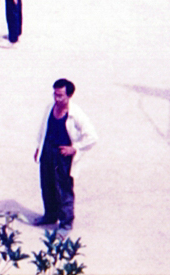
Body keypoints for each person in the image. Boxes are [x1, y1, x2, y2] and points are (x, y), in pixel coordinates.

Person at [33, 78, 98, 233]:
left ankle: (66, 223)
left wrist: (75, 148)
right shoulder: (50, 108)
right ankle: (50, 215)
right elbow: (43, 128)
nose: (57, 98)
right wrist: (39, 147)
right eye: (55, 94)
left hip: (62, 157)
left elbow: (92, 136)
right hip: (47, 152)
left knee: (63, 190)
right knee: (47, 186)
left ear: (69, 96)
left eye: (60, 96)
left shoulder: (76, 114)